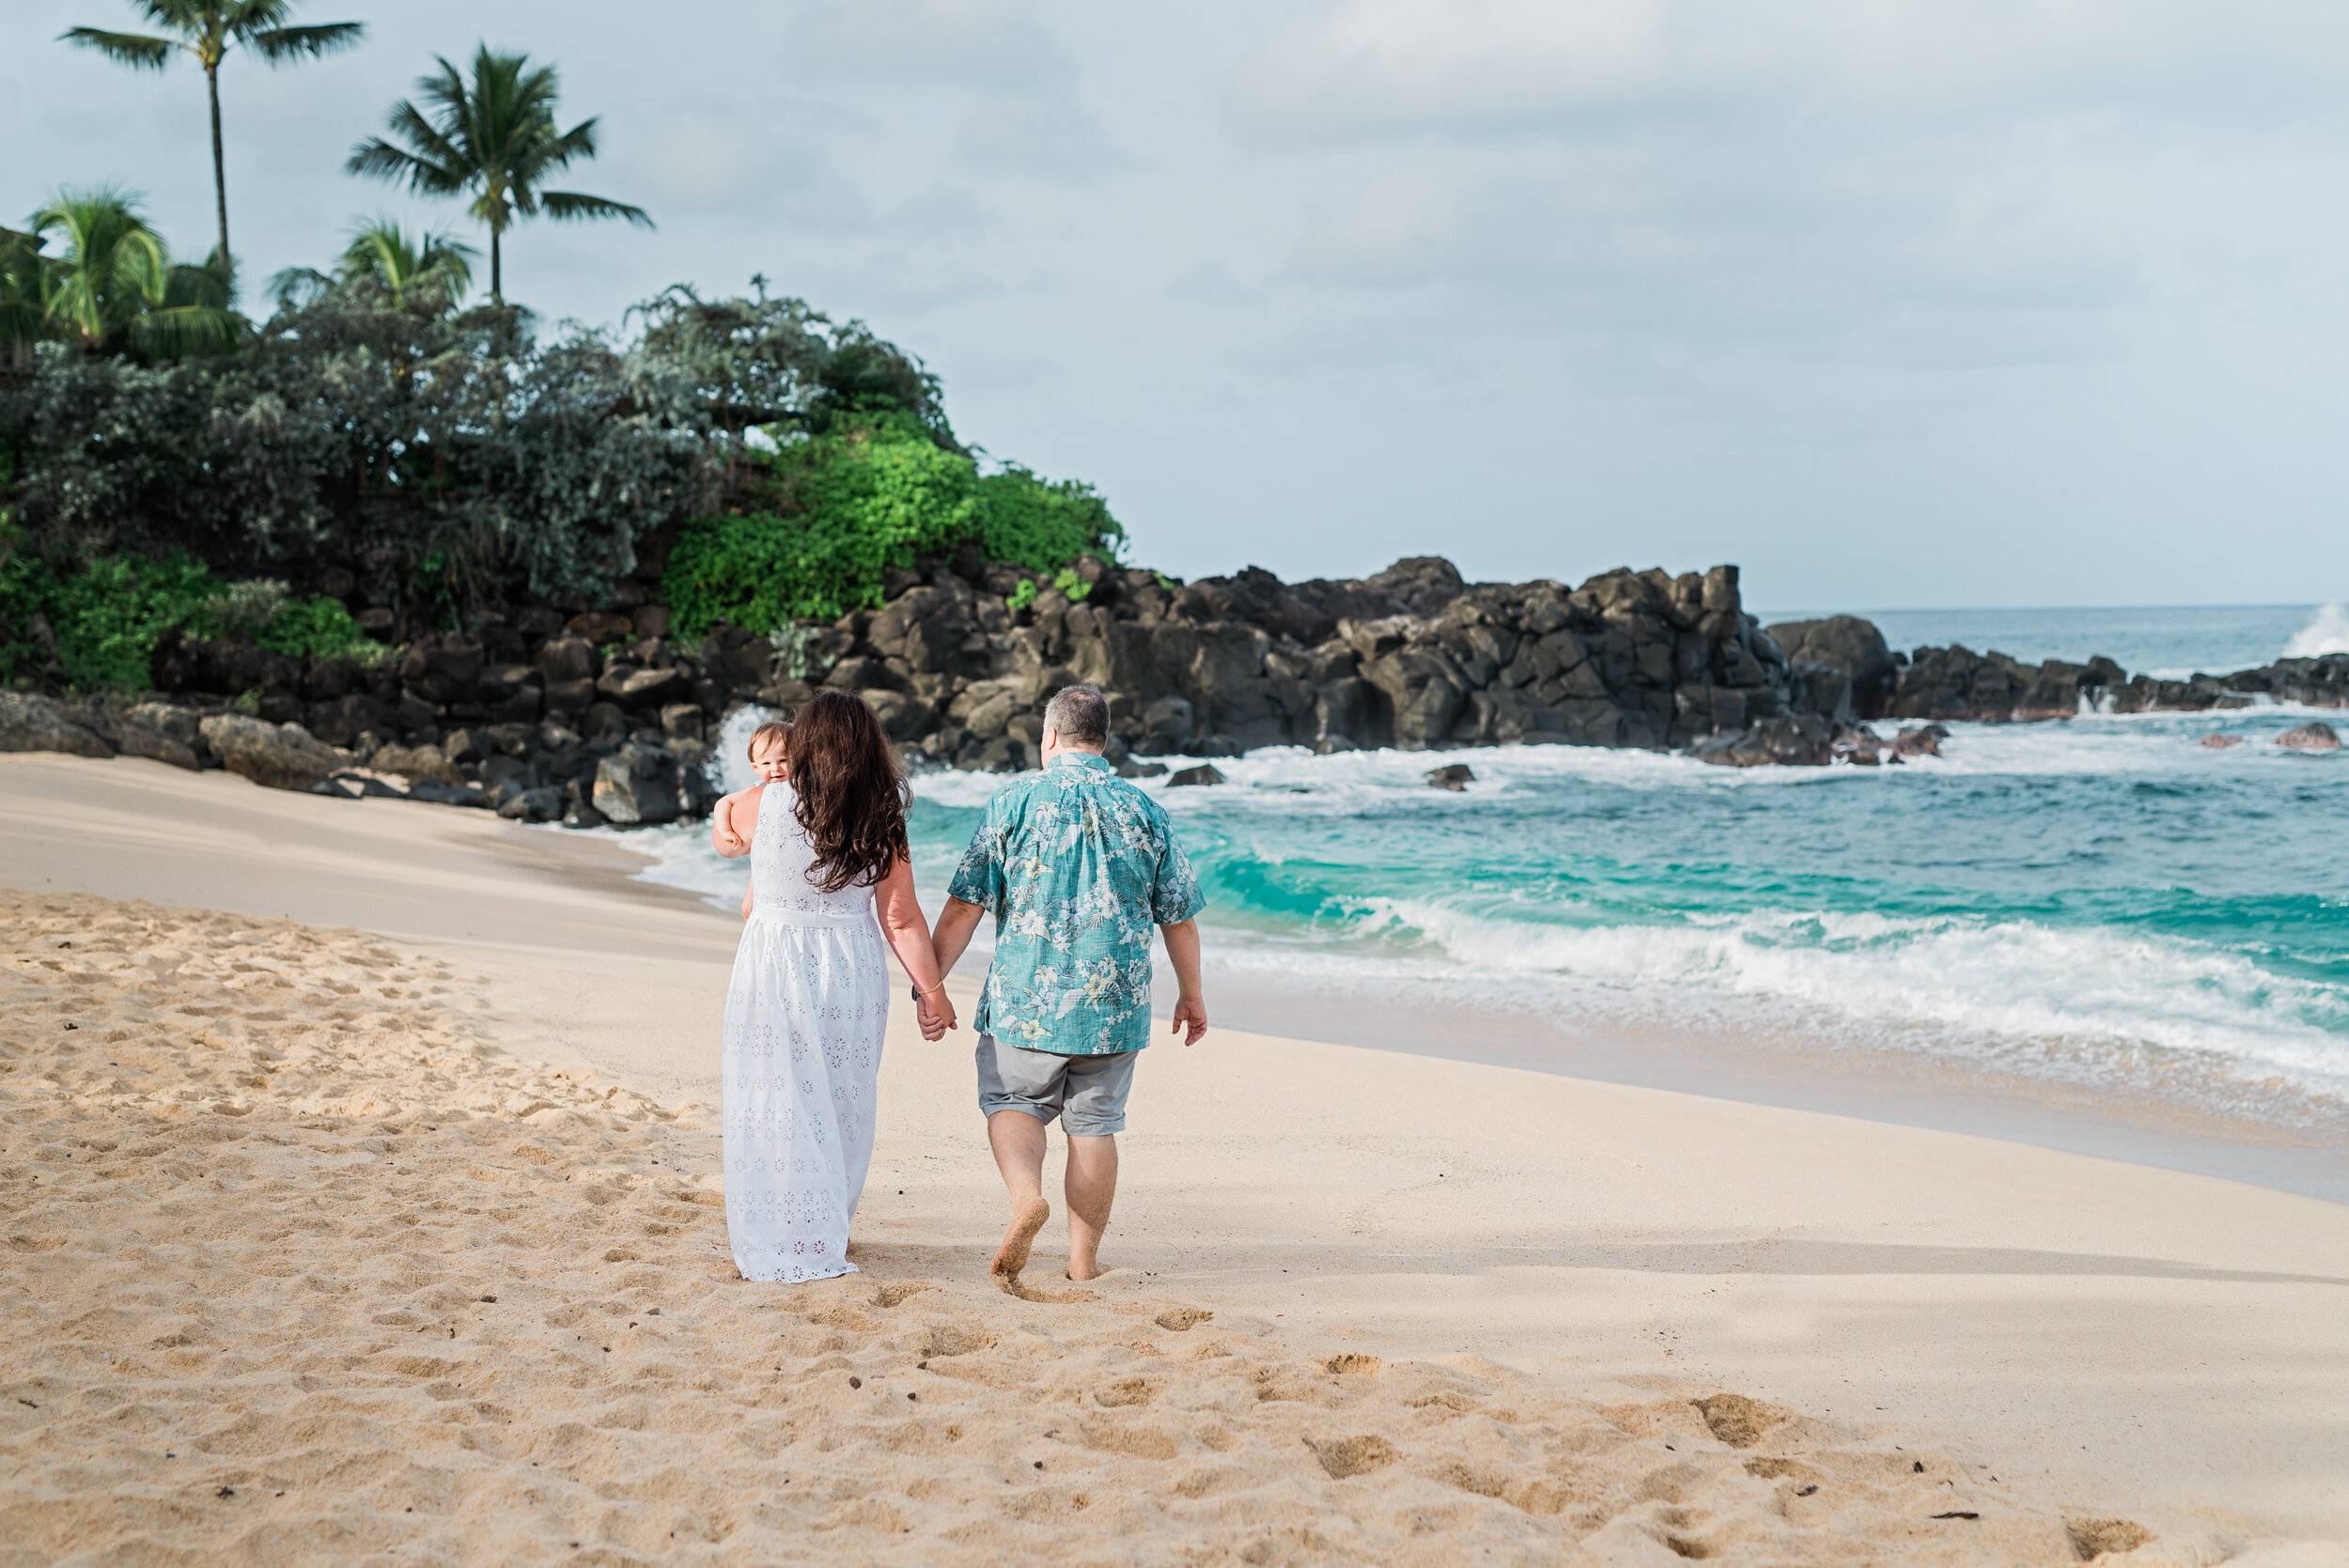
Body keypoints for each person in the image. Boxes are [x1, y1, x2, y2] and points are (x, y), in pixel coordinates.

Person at [927, 684, 1206, 1284]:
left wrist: (932, 984)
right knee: (1096, 1127)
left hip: (1026, 1002)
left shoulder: (1012, 802)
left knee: (1012, 1103)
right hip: (1114, 1006)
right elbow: (1178, 917)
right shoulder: (1145, 809)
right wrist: (1192, 994)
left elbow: (964, 905)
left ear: (1048, 736)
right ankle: (1083, 1264)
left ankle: (1026, 1195)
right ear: (1102, 741)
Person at [709, 692, 954, 1282]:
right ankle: (821, 1228)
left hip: (772, 961)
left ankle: (781, 1228)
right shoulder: (879, 813)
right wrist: (933, 992)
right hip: (849, 967)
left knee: (773, 1097)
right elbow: (901, 918)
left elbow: (726, 838)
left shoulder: (757, 802)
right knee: (840, 1101)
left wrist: (724, 815)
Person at [714, 720, 789, 921]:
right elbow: (724, 802)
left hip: (789, 862)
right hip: (765, 857)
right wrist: (725, 831)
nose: (775, 769)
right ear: (755, 767)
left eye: (783, 760)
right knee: (749, 906)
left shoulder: (800, 788)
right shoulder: (759, 790)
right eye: (766, 763)